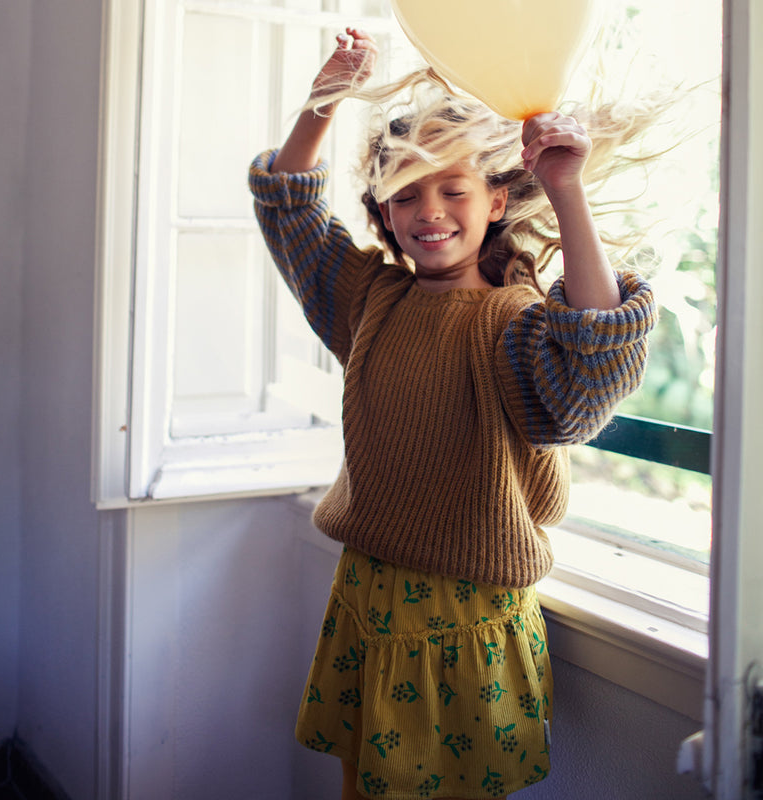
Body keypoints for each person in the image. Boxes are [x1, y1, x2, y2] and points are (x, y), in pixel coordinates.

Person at [248, 28, 657, 800]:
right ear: (382, 212)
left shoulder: (516, 321)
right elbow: (288, 207)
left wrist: (567, 188)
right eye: (405, 193)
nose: (428, 210)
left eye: (451, 189)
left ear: (497, 199)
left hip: (468, 619)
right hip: (365, 594)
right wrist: (325, 95)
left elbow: (593, 369)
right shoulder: (370, 300)